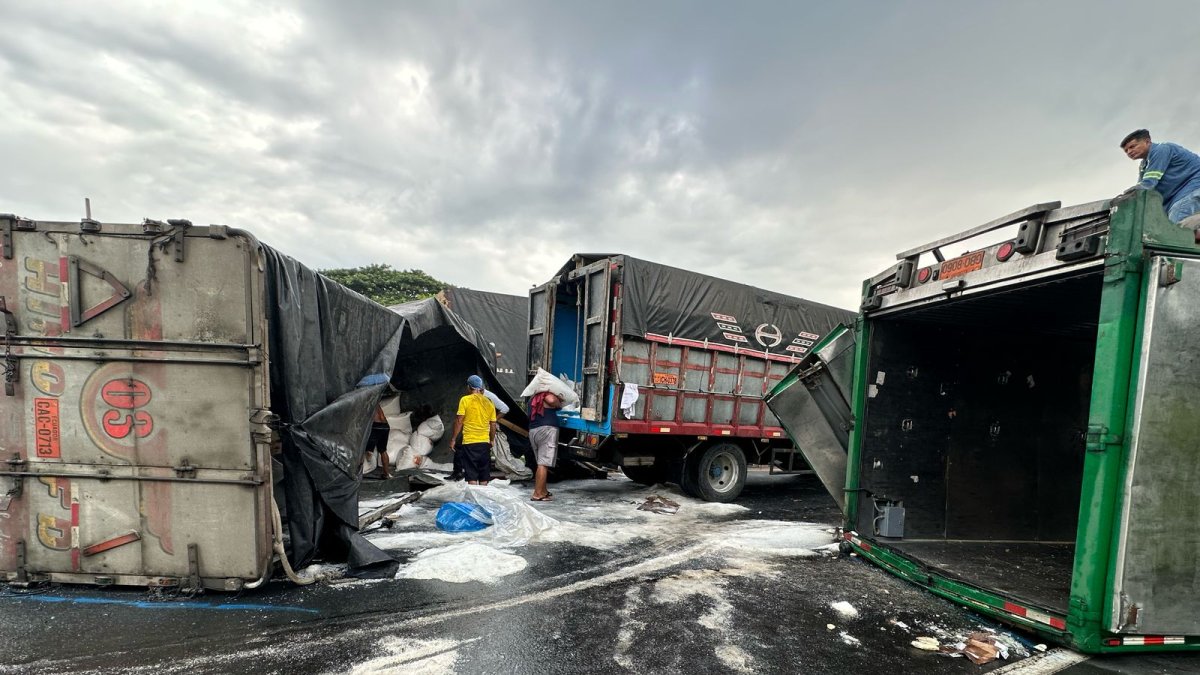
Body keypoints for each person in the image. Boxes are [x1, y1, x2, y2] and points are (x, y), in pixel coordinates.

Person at [1120, 129, 1200, 233]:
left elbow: (1147, 185)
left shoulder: (1161, 150)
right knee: (1162, 228)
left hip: (1193, 186)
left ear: (1147, 142)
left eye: (1132, 146)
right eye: (1126, 151)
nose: (1129, 152)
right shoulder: (1144, 165)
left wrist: (1123, 196)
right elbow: (1142, 192)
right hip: (1175, 197)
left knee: (1176, 227)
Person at [448, 385, 509, 481]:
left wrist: (492, 420)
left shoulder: (488, 398)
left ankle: (463, 473)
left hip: (478, 432)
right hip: (477, 433)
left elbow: (505, 409)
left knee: (472, 457)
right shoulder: (473, 398)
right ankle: (459, 472)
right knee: (469, 452)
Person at [450, 375, 497, 485]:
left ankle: (474, 499)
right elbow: (493, 424)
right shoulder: (489, 402)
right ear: (480, 388)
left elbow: (459, 421)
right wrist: (492, 439)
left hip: (469, 442)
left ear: (469, 387)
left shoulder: (465, 400)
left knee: (471, 474)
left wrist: (453, 439)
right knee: (484, 474)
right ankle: (482, 499)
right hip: (484, 443)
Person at [528, 391, 562, 501]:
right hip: (546, 430)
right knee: (543, 463)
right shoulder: (545, 395)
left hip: (534, 430)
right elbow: (552, 400)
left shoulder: (532, 398)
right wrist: (559, 403)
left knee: (541, 463)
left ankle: (543, 491)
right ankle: (538, 494)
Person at [364, 404, 391, 480]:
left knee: (363, 448)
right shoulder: (376, 401)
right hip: (385, 426)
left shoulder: (366, 401)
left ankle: (357, 474)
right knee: (383, 451)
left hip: (376, 426)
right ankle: (386, 474)